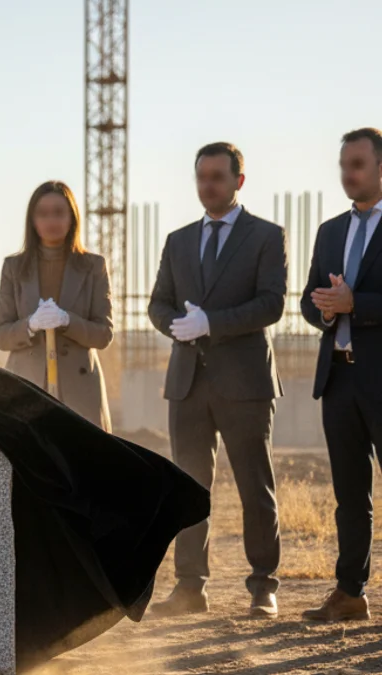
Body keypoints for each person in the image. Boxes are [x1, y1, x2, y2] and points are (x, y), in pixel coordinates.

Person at [147, 142, 287, 618]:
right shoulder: (178, 240)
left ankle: (263, 586)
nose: (208, 185)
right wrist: (175, 326)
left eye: (217, 177)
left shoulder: (267, 236)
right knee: (188, 487)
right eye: (201, 177)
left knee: (254, 486)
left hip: (245, 381)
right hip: (187, 381)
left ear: (238, 182)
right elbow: (158, 303)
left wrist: (213, 323)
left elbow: (272, 304)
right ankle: (190, 588)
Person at [299, 128, 382, 622]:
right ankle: (350, 594)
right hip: (340, 379)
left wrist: (359, 305)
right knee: (350, 495)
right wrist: (328, 313)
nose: (348, 173)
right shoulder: (330, 230)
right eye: (343, 164)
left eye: (357, 164)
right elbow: (311, 297)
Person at [0, 181, 114, 431]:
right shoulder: (14, 268)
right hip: (26, 387)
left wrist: (68, 320)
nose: (51, 221)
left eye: (59, 212)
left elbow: (104, 335)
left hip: (80, 390)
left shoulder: (94, 266)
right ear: (32, 220)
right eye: (43, 213)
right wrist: (30, 325)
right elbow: (0, 336)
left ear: (72, 217)